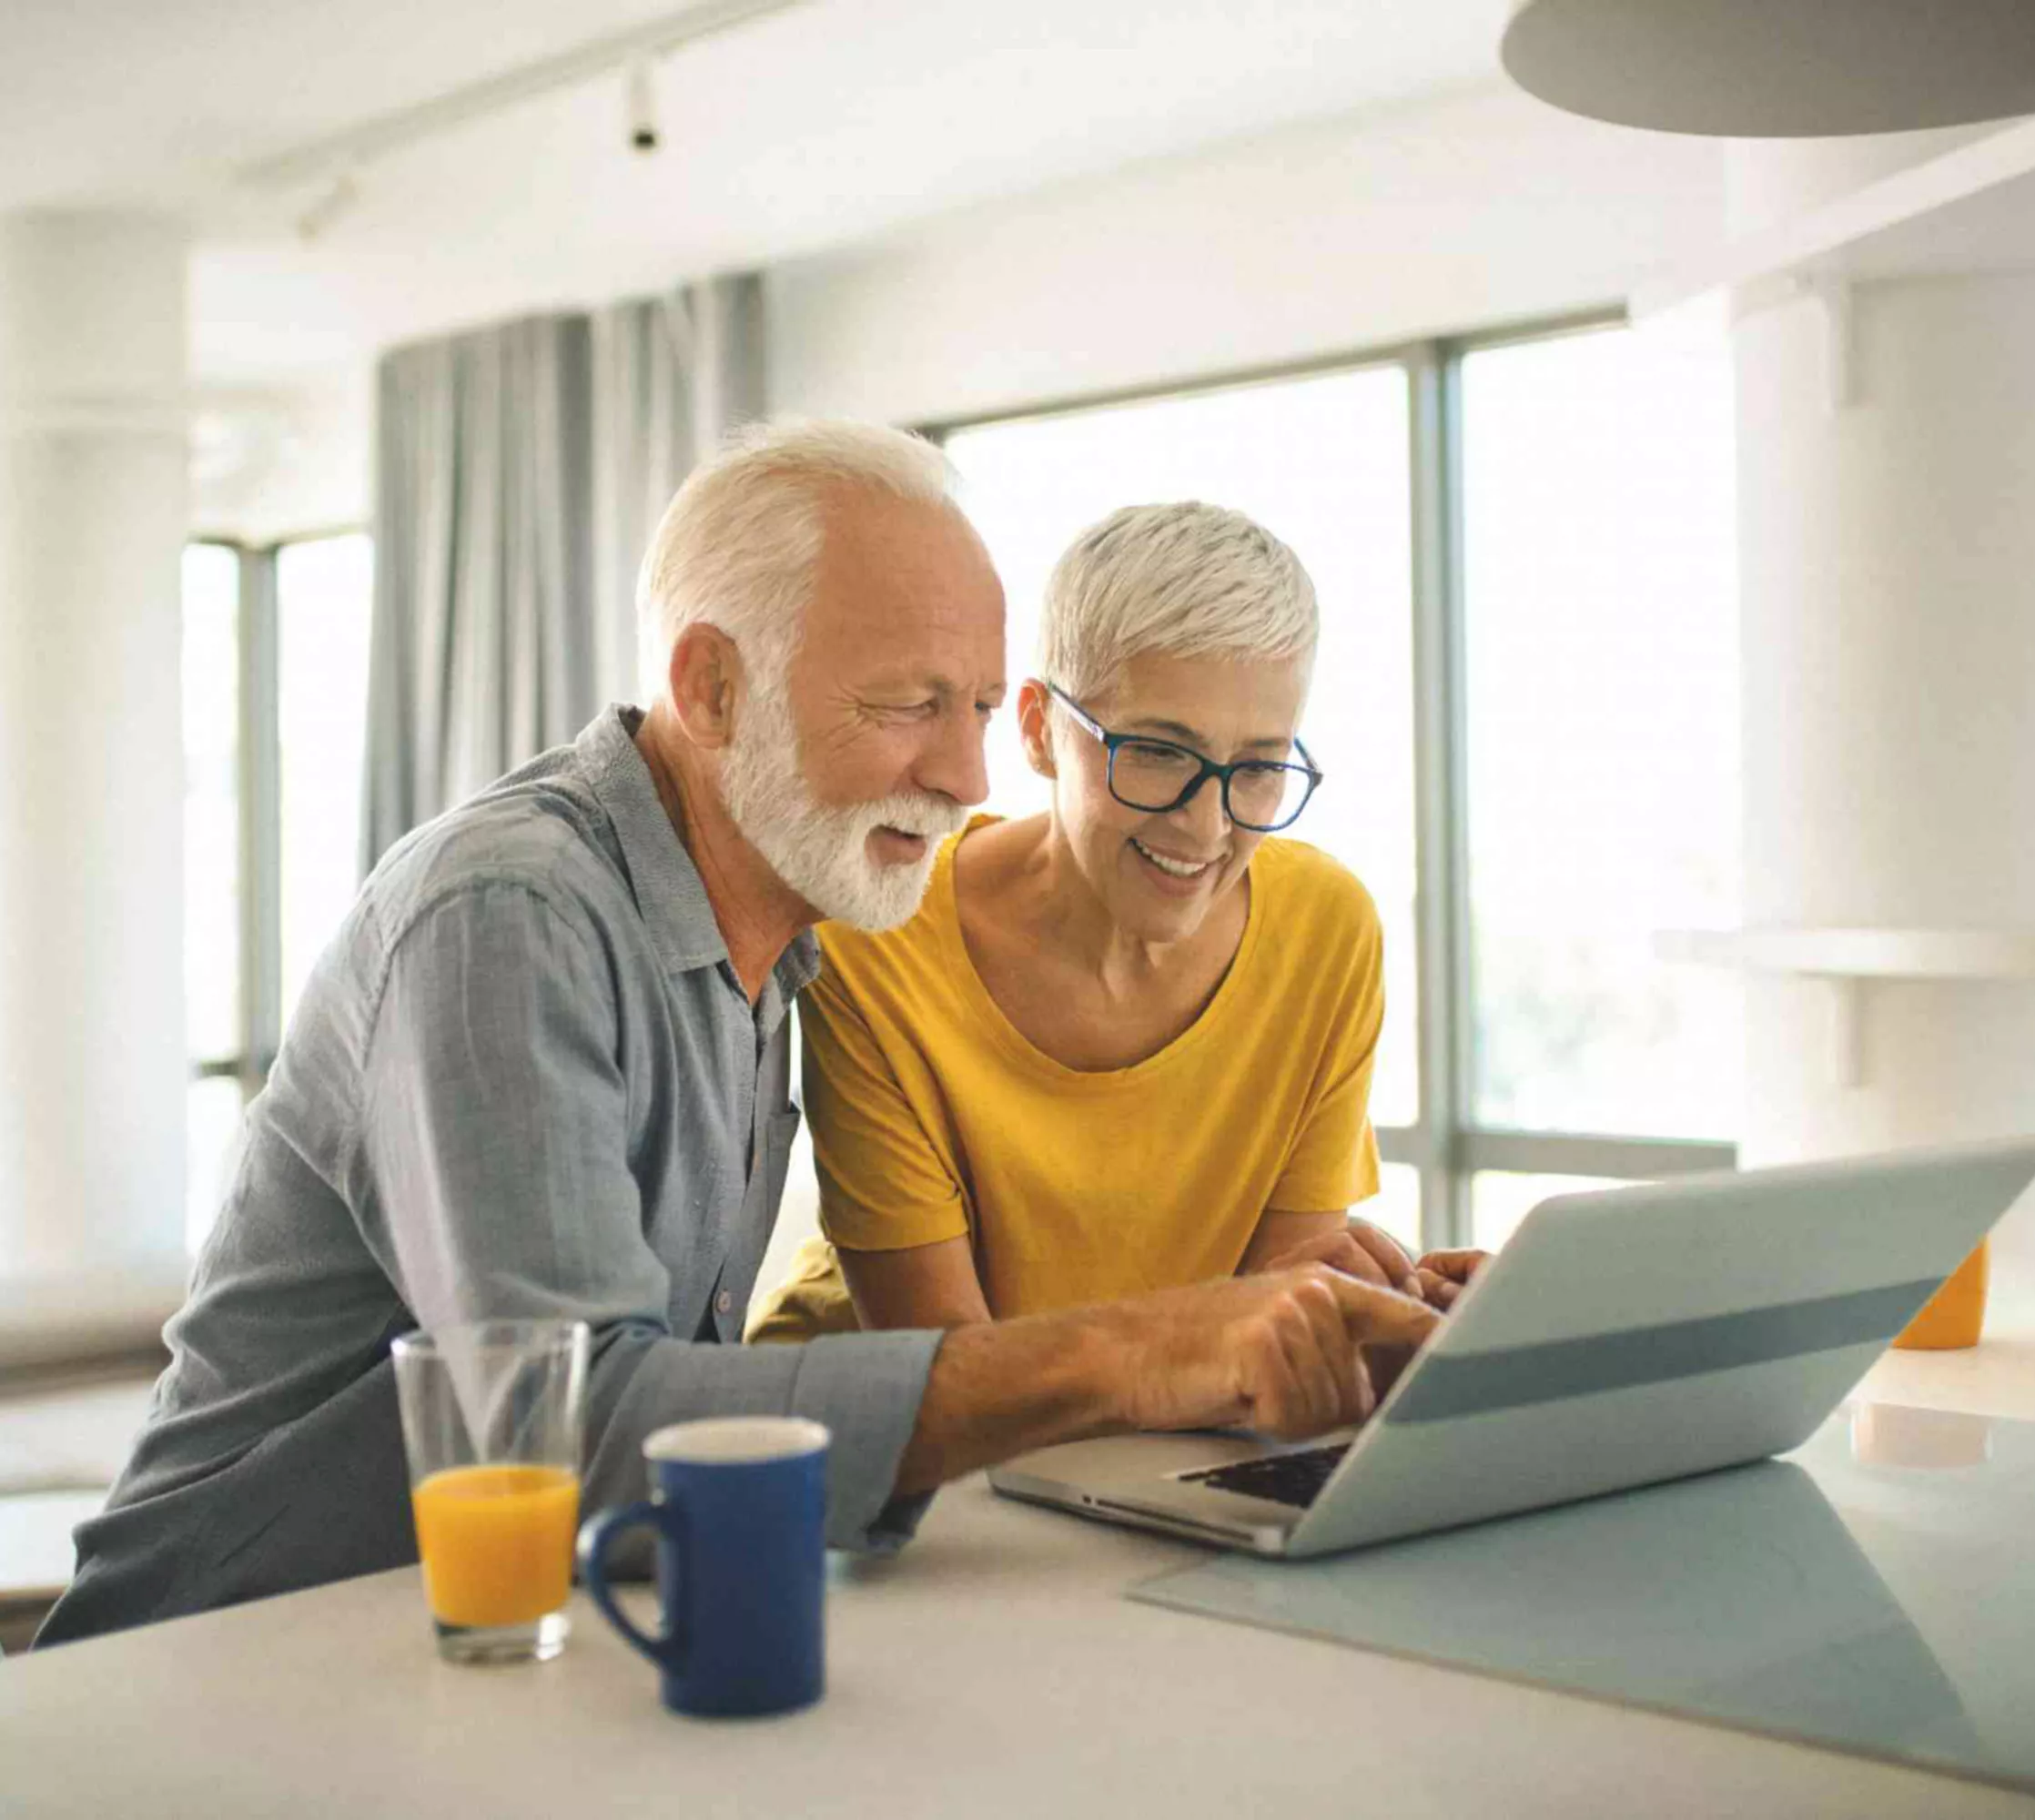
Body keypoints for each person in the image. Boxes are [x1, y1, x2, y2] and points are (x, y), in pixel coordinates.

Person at [37, 423, 1436, 1647]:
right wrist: (1137, 1351)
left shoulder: (786, 935)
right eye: (904, 706)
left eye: (968, 709)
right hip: (235, 1670)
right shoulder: (511, 915)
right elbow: (576, 1434)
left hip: (523, 1642)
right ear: (710, 689)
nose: (961, 779)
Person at [749, 500, 1482, 1360]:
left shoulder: (1326, 931)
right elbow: (941, 1378)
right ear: (1038, 729)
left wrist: (1408, 1323)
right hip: (873, 1457)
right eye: (1159, 752)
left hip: (1148, 1447)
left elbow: (1272, 1337)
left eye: (1256, 768)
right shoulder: (881, 934)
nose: (1207, 829)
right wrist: (1243, 1338)